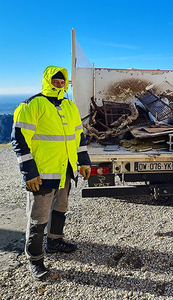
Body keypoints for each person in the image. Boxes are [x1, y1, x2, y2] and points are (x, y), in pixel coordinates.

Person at [11, 66, 91, 281]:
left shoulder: (69, 106)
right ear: (47, 81)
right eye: (54, 80)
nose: (59, 83)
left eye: (62, 80)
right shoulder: (32, 105)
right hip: (41, 174)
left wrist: (83, 162)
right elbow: (19, 141)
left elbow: (79, 137)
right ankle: (35, 260)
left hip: (65, 171)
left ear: (66, 83)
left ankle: (55, 241)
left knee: (61, 208)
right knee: (38, 218)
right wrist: (29, 173)